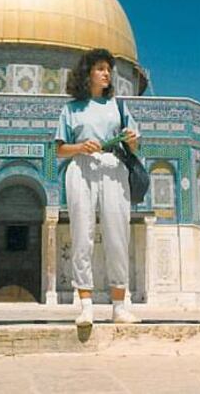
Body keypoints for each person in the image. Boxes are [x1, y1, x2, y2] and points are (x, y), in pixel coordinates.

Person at [55, 48, 140, 326]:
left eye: (109, 69)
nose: (107, 74)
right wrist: (81, 146)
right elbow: (59, 150)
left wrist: (131, 138)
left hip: (113, 168)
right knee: (82, 236)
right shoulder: (71, 109)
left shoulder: (118, 106)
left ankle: (119, 306)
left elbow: (135, 144)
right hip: (81, 167)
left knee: (118, 235)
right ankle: (86, 306)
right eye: (101, 68)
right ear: (88, 72)